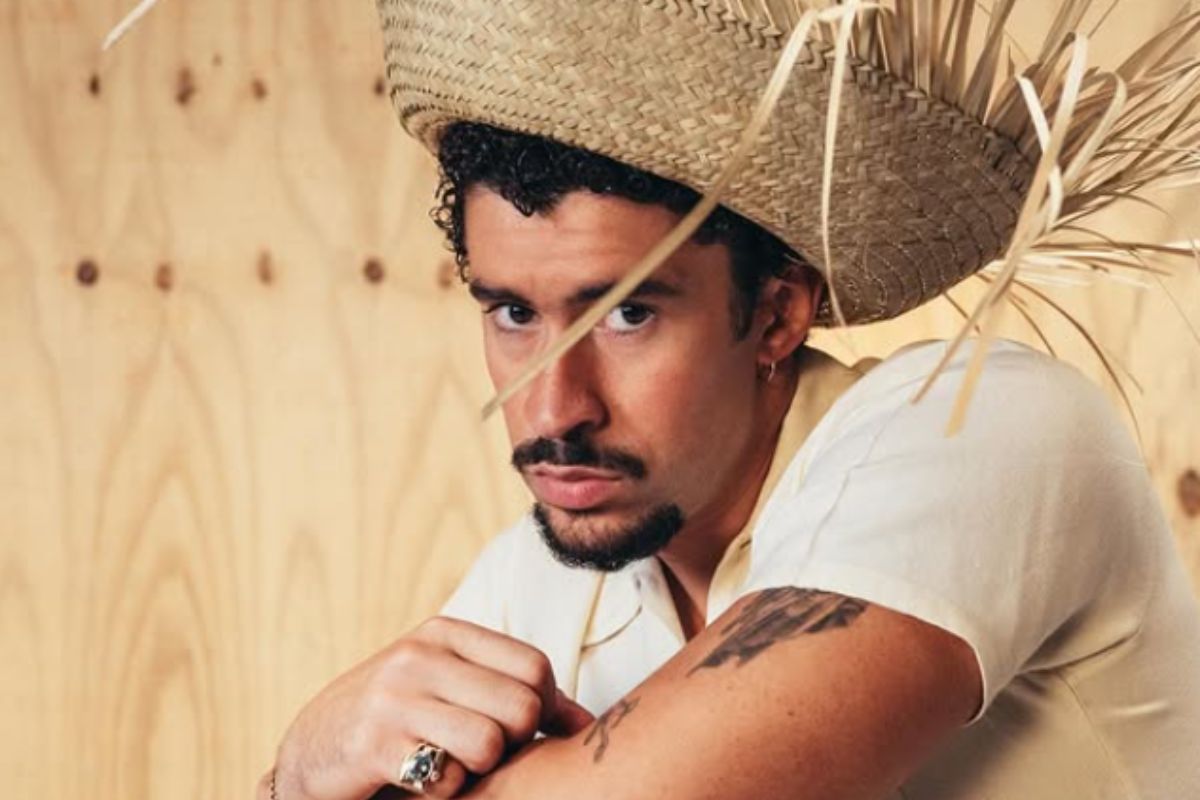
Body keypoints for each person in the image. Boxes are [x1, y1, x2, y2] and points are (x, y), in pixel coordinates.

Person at [263, 1, 1200, 797]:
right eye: (514, 312)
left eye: (628, 315)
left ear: (778, 314)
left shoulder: (982, 426)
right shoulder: (535, 578)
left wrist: (319, 771)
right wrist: (299, 769)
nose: (552, 409)